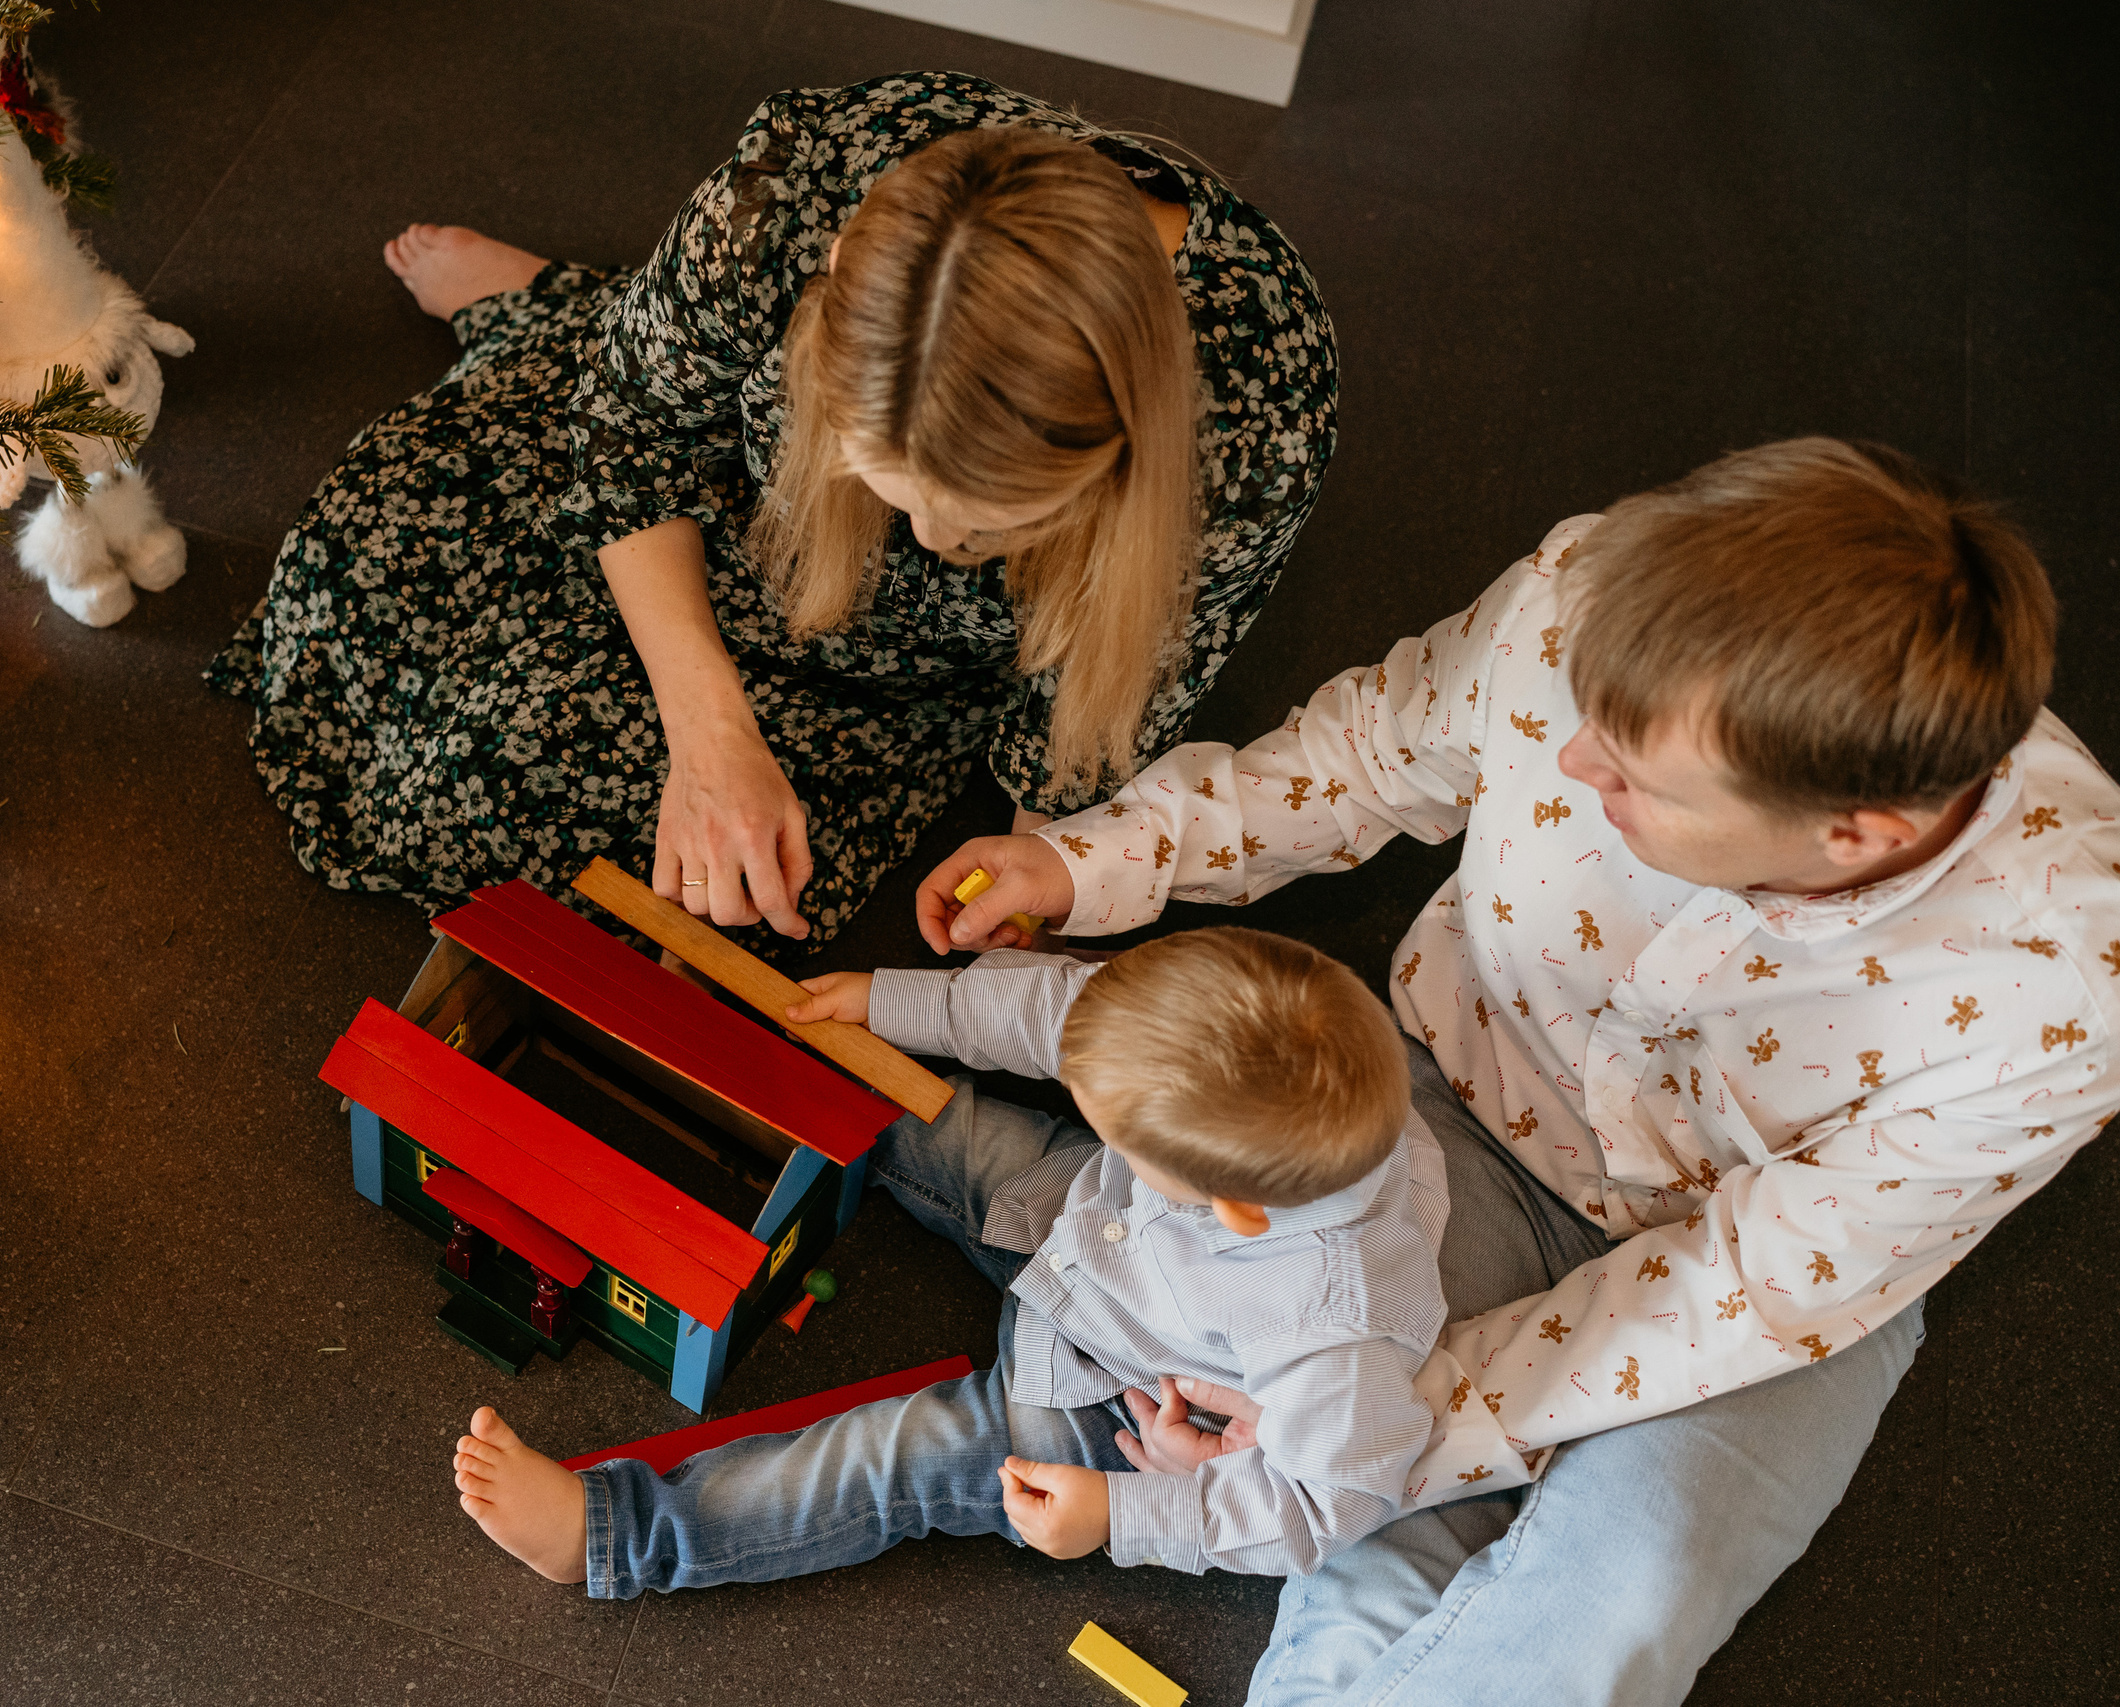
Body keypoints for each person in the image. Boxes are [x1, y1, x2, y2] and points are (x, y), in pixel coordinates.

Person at [923, 437, 2119, 1704]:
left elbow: (1737, 1291)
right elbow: (1371, 754)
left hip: (1770, 1283)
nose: (1573, 764)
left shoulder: (2062, 985)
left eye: (1635, 774)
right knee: (1340, 1480)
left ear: (1854, 836)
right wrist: (1103, 859)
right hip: (1452, 1110)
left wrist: (1378, 1420)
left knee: (1622, 1589)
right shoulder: (1588, 585)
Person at [206, 72, 1338, 959]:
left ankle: (604, 309)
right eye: (903, 497)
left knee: (569, 848)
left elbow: (1113, 683)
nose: (941, 547)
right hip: (749, 513)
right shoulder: (793, 188)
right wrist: (711, 737)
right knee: (353, 577)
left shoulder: (1257, 414)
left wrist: (1050, 869)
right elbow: (634, 436)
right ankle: (571, 307)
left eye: (990, 533)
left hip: (897, 663)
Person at [449, 927, 1448, 1595]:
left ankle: (615, 1534)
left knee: (892, 1460)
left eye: (1122, 1128)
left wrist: (1129, 1513)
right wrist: (885, 1007)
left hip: (1111, 1398)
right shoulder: (1269, 1066)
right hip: (1086, 1226)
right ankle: (794, 1077)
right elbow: (1062, 1011)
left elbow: (1328, 1506)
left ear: (1226, 1208)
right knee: (935, 1120)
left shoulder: (1333, 1329)